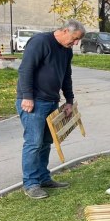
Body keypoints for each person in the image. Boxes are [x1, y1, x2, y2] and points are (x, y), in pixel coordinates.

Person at [15, 20, 85, 199]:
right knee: (34, 142)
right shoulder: (40, 42)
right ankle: (31, 183)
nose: (75, 44)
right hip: (33, 102)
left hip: (51, 102)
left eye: (78, 41)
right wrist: (27, 96)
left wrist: (69, 100)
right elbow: (25, 70)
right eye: (74, 39)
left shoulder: (66, 50)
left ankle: (44, 178)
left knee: (46, 141)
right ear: (64, 31)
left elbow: (66, 75)